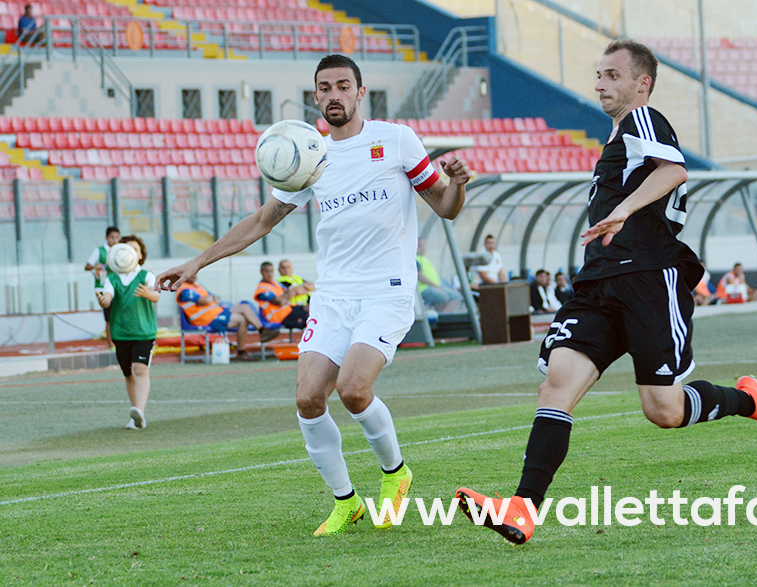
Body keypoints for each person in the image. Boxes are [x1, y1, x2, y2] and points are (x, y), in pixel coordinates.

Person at [454, 40, 757, 545]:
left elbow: (675, 169)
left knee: (663, 410)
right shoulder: (615, 145)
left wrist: (626, 209)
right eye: (598, 74)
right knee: (556, 386)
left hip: (648, 278)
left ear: (642, 84)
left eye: (612, 75)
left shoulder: (644, 119)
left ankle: (749, 401)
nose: (599, 84)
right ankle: (524, 507)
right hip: (598, 283)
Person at [156, 54, 471, 536]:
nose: (333, 95)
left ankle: (395, 473)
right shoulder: (308, 155)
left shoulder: (396, 140)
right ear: (316, 95)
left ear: (360, 93)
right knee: (307, 398)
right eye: (324, 88)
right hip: (334, 295)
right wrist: (197, 262)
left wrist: (459, 185)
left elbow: (445, 208)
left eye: (343, 86)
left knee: (353, 388)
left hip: (386, 290)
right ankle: (347, 502)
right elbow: (261, 222)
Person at [97, 236, 159, 430]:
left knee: (140, 369)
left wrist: (148, 294)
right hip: (121, 333)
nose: (130, 252)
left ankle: (139, 411)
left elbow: (155, 295)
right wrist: (104, 301)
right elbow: (108, 296)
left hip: (143, 332)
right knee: (128, 374)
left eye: (135, 249)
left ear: (140, 255)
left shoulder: (146, 275)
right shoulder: (112, 278)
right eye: (126, 248)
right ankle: (135, 414)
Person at [176, 275, 279, 361]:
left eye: (195, 272)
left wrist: (210, 299)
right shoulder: (185, 289)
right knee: (242, 316)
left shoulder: (197, 286)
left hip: (217, 313)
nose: (194, 275)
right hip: (206, 319)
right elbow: (203, 301)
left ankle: (250, 343)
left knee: (244, 312)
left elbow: (215, 298)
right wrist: (210, 299)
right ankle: (256, 336)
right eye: (191, 273)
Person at [85, 226, 121, 348]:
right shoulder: (99, 251)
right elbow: (87, 266)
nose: (115, 240)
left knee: (119, 314)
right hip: (103, 287)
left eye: (117, 237)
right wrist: (96, 267)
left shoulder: (121, 251)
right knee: (109, 316)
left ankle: (119, 340)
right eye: (112, 237)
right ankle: (110, 343)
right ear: (106, 238)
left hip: (118, 287)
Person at [255, 261, 310, 331]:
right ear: (261, 272)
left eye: (271, 271)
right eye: (267, 271)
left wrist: (287, 296)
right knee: (309, 317)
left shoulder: (275, 283)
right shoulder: (262, 288)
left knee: (311, 308)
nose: (270, 274)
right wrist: (289, 295)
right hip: (279, 316)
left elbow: (291, 293)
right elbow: (279, 301)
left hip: (289, 310)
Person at [416, 238, 463, 312]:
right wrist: (434, 286)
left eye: (424, 245)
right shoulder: (414, 260)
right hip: (424, 288)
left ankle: (444, 314)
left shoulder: (424, 258)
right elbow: (420, 276)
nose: (422, 248)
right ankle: (440, 317)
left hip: (436, 286)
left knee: (457, 296)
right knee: (443, 297)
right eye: (419, 246)